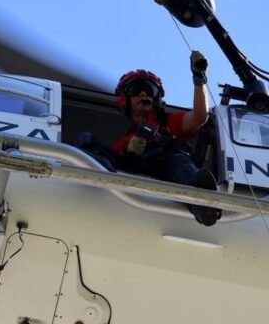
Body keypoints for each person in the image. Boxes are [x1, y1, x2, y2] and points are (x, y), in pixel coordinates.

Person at [78, 50, 220, 226]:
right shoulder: (122, 142)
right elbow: (118, 158)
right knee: (88, 141)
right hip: (131, 172)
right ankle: (96, 180)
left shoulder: (170, 123)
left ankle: (201, 202)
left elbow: (200, 116)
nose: (144, 95)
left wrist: (199, 78)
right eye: (136, 90)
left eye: (150, 91)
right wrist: (129, 150)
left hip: (167, 169)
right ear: (124, 99)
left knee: (178, 161)